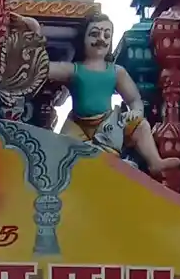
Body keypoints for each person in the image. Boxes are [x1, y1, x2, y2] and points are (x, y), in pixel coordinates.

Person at [47, 12, 167, 177]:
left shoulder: (117, 72)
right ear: (84, 39)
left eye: (106, 35)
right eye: (94, 34)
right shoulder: (74, 69)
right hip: (78, 125)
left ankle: (155, 162)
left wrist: (136, 112)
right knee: (63, 155)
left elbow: (134, 99)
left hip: (107, 124)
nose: (101, 39)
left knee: (141, 125)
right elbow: (47, 68)